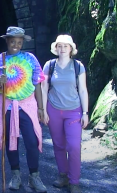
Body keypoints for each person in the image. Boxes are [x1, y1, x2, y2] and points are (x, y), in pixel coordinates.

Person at [0, 26, 47, 193]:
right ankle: (16, 175)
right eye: (13, 41)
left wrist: (41, 108)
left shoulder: (30, 59)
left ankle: (34, 176)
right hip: (6, 105)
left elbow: (37, 83)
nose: (16, 45)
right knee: (10, 141)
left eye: (19, 42)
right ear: (7, 41)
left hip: (27, 105)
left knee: (32, 141)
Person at [41, 34, 89, 193]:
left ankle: (74, 182)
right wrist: (43, 109)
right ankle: (63, 176)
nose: (62, 49)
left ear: (71, 49)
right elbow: (43, 88)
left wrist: (85, 112)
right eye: (59, 46)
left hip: (73, 111)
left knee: (74, 146)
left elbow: (82, 90)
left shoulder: (78, 66)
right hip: (53, 109)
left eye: (65, 46)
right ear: (56, 48)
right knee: (59, 145)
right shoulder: (50, 65)